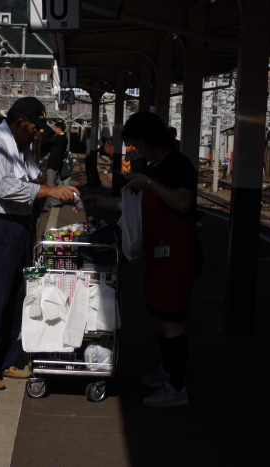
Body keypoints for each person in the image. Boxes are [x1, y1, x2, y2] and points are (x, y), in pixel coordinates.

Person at [83, 112, 199, 407]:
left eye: (139, 144)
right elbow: (133, 206)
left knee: (171, 318)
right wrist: (100, 202)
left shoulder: (178, 165)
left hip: (178, 252)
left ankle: (177, 387)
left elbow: (184, 202)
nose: (137, 150)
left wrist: (149, 184)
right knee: (156, 313)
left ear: (153, 139)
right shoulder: (153, 166)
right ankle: (169, 369)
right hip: (157, 251)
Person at [0, 97, 80, 390]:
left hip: (19, 228)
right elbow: (8, 189)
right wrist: (51, 189)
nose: (38, 134)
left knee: (17, 296)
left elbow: (33, 178)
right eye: (34, 128)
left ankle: (7, 360)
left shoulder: (20, 150)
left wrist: (47, 187)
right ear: (19, 123)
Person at [41, 121, 68, 207]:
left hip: (54, 164)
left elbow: (47, 140)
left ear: (59, 128)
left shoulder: (60, 138)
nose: (55, 129)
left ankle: (56, 202)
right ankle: (57, 200)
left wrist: (42, 133)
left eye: (55, 128)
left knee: (51, 183)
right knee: (53, 182)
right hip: (57, 163)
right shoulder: (63, 138)